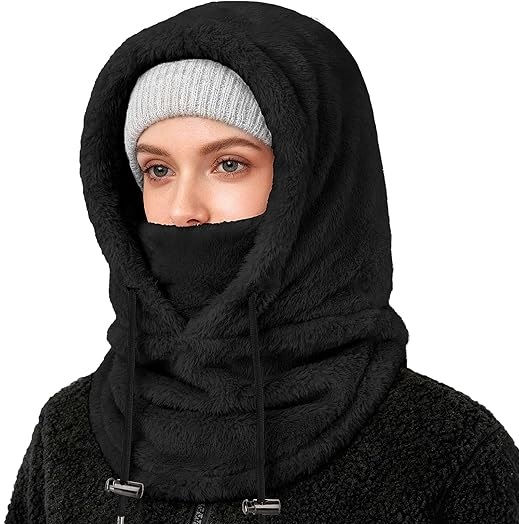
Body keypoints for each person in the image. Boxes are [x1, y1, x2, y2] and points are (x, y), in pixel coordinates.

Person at [5, 2, 519, 523]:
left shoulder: (444, 453)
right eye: (158, 169)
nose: (182, 209)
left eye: (228, 164)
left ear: (317, 185)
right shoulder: (67, 434)